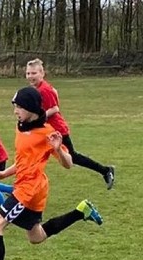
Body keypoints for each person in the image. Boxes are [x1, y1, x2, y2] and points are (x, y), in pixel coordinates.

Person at [0, 87, 103, 260]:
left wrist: (58, 148)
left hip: (30, 190)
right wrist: (4, 174)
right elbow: (23, 160)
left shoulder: (47, 133)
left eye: (19, 107)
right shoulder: (20, 126)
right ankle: (81, 211)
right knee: (36, 236)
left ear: (31, 108)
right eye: (14, 107)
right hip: (25, 186)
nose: (15, 111)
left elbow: (68, 164)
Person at [25, 58, 115, 189]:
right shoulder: (38, 88)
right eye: (28, 73)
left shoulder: (44, 89)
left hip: (57, 130)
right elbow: (53, 94)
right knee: (32, 154)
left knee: (72, 157)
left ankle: (106, 170)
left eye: (34, 73)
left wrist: (40, 118)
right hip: (45, 130)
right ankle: (25, 185)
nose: (30, 76)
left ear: (42, 73)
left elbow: (55, 108)